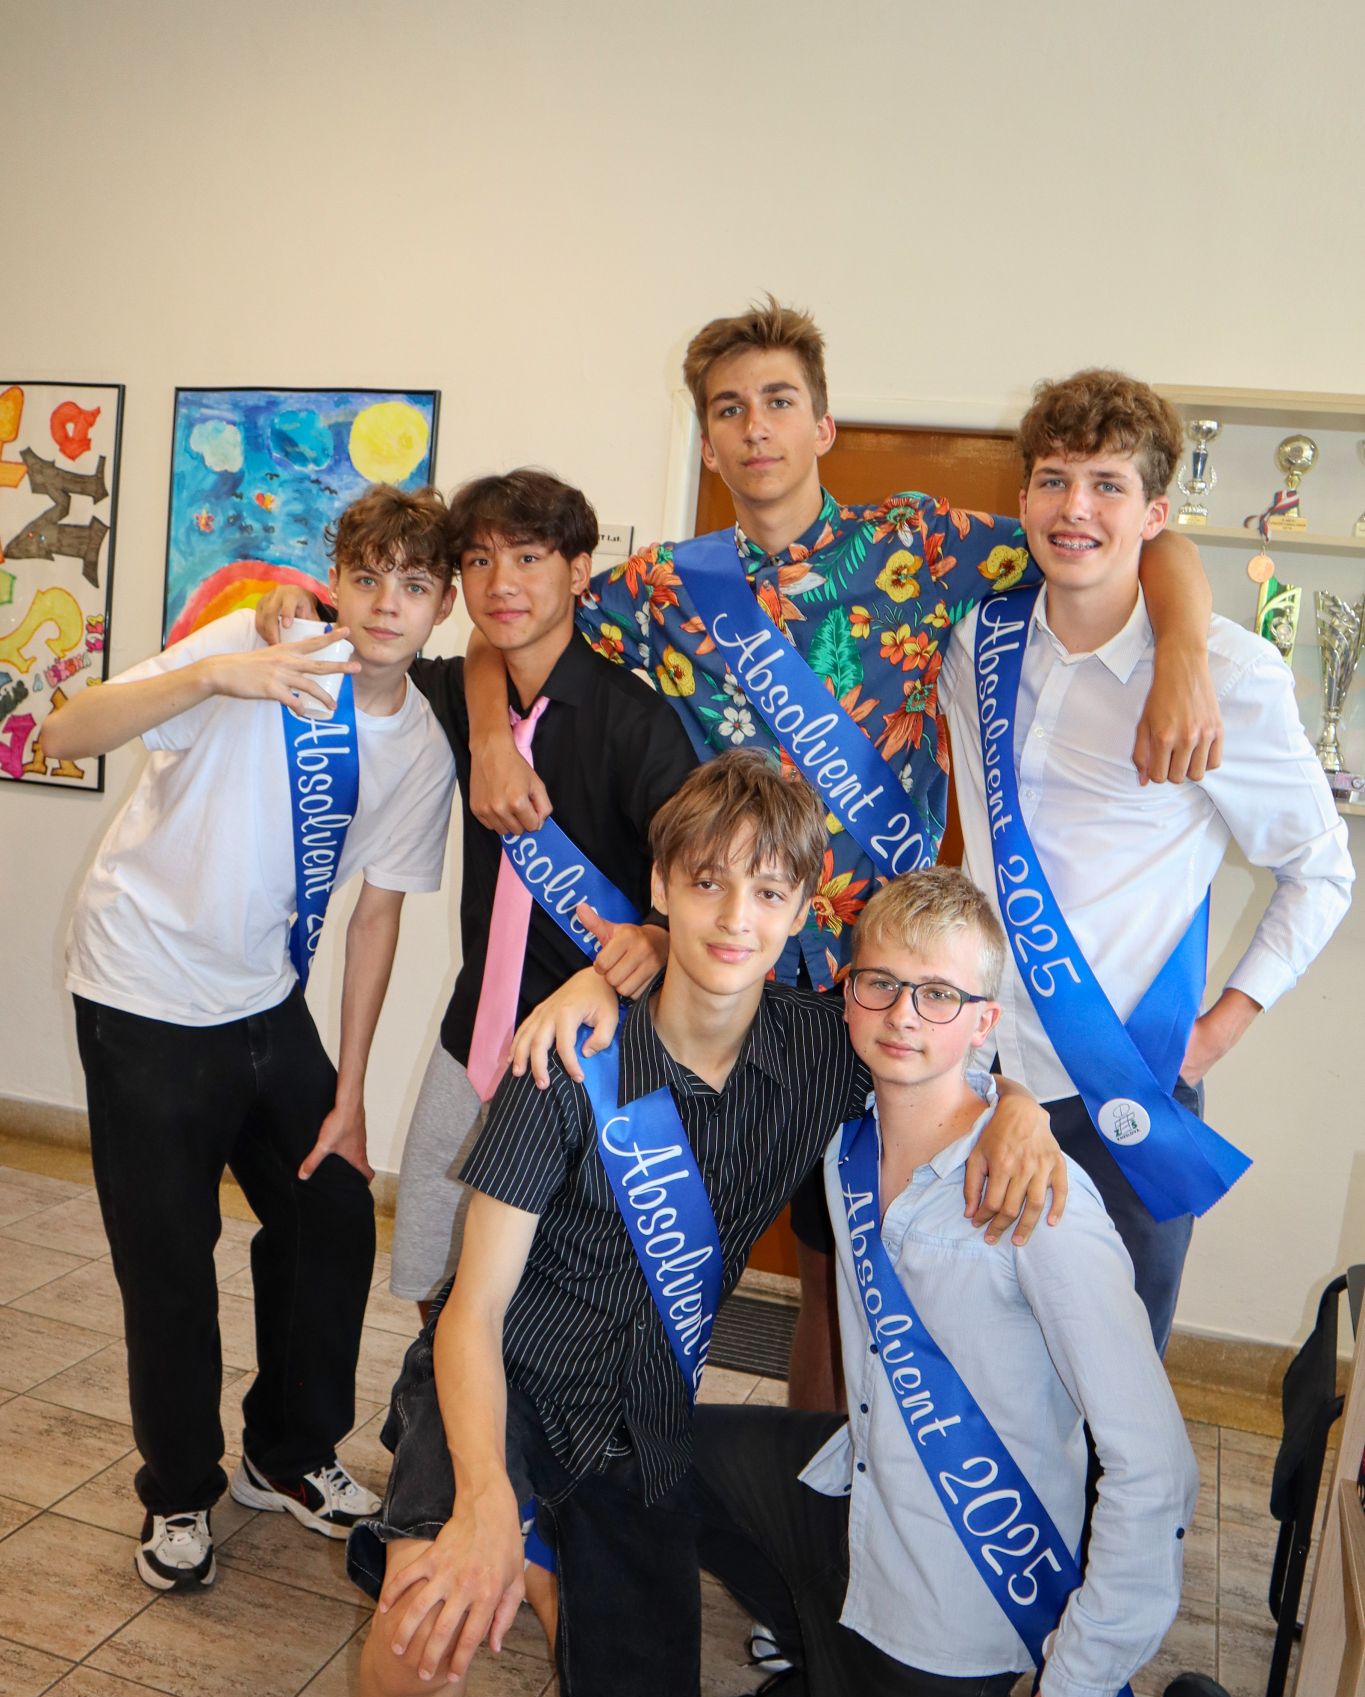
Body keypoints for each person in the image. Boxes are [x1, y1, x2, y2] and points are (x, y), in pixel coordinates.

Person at [221, 754, 1065, 1697]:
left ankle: (541, 1558)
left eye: (767, 891)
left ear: (801, 909)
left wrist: (1019, 1103)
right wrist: (481, 1497)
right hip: (508, 1384)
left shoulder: (821, 1052)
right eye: (707, 881)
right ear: (660, 883)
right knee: (429, 1616)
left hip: (644, 1417)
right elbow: (471, 1310)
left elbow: (941, 1039)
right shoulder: (570, 1051)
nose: (735, 915)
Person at [456, 299, 1222, 1409]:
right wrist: (488, 731)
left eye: (778, 401)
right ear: (707, 442)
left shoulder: (918, 543)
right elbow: (511, 624)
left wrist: (1185, 650)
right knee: (728, 1237)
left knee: (885, 1252)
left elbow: (1135, 538)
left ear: (822, 424)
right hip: (744, 974)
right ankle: (746, 1474)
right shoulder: (662, 588)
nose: (755, 427)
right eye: (729, 410)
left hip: (889, 981)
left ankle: (878, 1488)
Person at [694, 869, 1258, 1697]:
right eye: (881, 984)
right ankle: (817, 1668)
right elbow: (719, 1005)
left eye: (940, 995)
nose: (905, 1016)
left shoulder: (1036, 1202)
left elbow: (1156, 1471)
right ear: (847, 992)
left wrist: (1079, 1691)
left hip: (957, 1590)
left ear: (986, 1021)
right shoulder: (851, 1134)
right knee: (656, 1456)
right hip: (857, 1495)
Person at [45, 485, 459, 1593]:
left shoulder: (421, 747)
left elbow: (376, 917)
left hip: (264, 1002)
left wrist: (351, 1091)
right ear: (338, 579)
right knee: (169, 1258)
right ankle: (180, 1487)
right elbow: (63, 730)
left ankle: (286, 1452)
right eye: (367, 576)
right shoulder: (257, 643)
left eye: (415, 584)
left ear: (443, 606)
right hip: (139, 991)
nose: (387, 603)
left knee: (331, 1214)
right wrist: (214, 674)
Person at [937, 369, 1353, 1351]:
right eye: (1052, 480)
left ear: (1155, 514)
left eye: (1107, 485)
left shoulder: (1229, 675)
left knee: (1108, 1386)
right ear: (1024, 497)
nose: (1074, 508)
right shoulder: (975, 643)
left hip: (1121, 1085)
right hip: (974, 1071)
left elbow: (1321, 870)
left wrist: (1217, 1030)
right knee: (970, 1368)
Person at [383, 470, 699, 1321]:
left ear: (579, 571)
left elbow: (702, 865)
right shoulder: (457, 698)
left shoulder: (635, 721)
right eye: (479, 561)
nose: (502, 583)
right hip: (475, 1028)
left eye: (528, 557)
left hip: (588, 1041)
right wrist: (286, 609)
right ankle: (436, 1400)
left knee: (544, 1283)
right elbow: (364, 644)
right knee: (433, 1252)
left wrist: (661, 936)